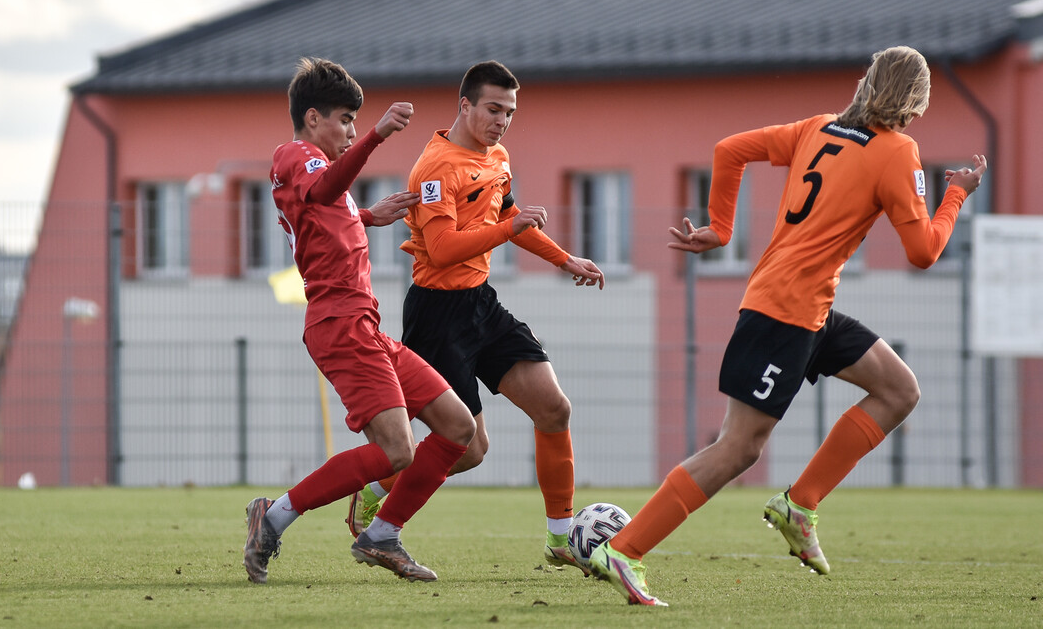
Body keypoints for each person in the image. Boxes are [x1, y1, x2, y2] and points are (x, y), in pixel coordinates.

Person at [588, 46, 988, 606]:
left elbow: (729, 150)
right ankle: (624, 549)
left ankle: (799, 505)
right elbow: (923, 251)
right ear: (916, 100)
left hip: (808, 309)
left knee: (898, 389)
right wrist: (954, 196)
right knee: (738, 449)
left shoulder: (818, 127)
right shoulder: (900, 153)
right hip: (785, 314)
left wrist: (723, 228)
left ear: (867, 83)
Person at [345, 60, 606, 573]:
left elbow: (508, 217)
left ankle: (560, 538)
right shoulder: (437, 168)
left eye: (509, 111)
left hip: (480, 303)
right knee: (468, 449)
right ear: (464, 105)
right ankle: (375, 491)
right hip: (437, 313)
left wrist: (565, 259)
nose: (502, 120)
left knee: (554, 409)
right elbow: (441, 250)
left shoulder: (497, 157)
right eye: (493, 108)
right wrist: (510, 232)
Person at [243, 57, 475, 585]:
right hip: (339, 324)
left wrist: (371, 213)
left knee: (459, 427)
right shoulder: (295, 154)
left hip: (365, 325)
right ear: (311, 118)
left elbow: (324, 213)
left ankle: (380, 534)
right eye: (344, 119)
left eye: (355, 121)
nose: (350, 131)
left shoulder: (319, 169)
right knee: (396, 451)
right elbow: (321, 197)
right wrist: (377, 137)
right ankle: (273, 516)